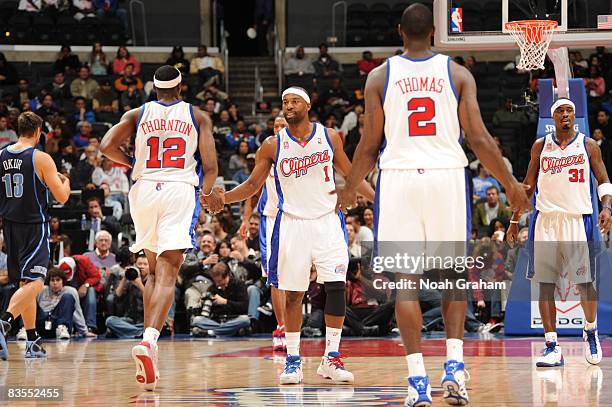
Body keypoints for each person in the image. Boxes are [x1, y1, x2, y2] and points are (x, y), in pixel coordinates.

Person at [336, 4, 530, 406]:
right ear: (436, 32)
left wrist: (350, 187)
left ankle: (417, 381)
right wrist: (509, 183)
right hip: (445, 176)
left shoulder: (379, 76)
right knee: (453, 277)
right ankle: (455, 365)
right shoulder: (457, 73)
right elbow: (478, 138)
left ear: (399, 32)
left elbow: (369, 144)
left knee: (406, 284)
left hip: (400, 179)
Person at [223, 87, 374, 385]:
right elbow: (253, 186)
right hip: (291, 223)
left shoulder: (329, 136)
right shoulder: (271, 145)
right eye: (284, 103)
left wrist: (379, 200)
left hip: (329, 221)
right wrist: (223, 199)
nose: (288, 106)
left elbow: (352, 174)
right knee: (293, 294)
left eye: (294, 101)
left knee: (335, 288)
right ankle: (293, 360)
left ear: (307, 104)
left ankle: (331, 358)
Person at [100, 65, 224, 390]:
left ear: (154, 89)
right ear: (181, 87)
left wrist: (132, 162)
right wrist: (207, 194)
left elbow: (106, 145)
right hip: (178, 189)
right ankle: (150, 342)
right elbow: (210, 167)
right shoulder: (198, 116)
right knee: (170, 272)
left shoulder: (137, 113)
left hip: (143, 190)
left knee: (152, 272)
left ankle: (147, 348)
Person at [507, 98, 611, 368]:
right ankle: (552, 346)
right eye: (560, 111)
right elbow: (527, 187)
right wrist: (515, 220)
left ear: (574, 115)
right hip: (546, 220)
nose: (565, 114)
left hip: (577, 219)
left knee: (584, 284)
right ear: (552, 117)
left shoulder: (588, 145)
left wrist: (607, 207)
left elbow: (603, 179)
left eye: (569, 110)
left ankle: (590, 330)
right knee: (545, 285)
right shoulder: (541, 146)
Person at [0, 112, 71, 359]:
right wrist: (67, 183)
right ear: (39, 131)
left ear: (17, 129)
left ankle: (31, 341)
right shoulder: (41, 158)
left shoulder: (1, 155)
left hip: (9, 226)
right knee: (38, 281)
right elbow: (61, 196)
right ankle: (5, 321)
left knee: (25, 284)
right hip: (34, 226)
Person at [239, 113, 288, 351]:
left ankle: (294, 325)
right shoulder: (266, 150)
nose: (278, 128)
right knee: (275, 278)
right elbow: (252, 188)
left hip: (298, 217)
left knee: (296, 276)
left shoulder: (304, 150)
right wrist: (246, 220)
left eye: (283, 125)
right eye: (276, 125)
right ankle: (281, 327)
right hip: (271, 218)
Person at [190, 262, 250, 337]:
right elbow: (207, 313)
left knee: (245, 320)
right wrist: (202, 303)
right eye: (215, 281)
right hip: (217, 321)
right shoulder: (212, 288)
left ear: (226, 276)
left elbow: (244, 307)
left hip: (233, 319)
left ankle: (210, 332)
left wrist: (225, 302)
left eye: (219, 281)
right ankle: (230, 332)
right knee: (196, 320)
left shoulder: (239, 285)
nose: (217, 284)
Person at [36, 268, 92, 340]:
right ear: (48, 282)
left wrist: (84, 331)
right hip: (42, 321)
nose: (55, 283)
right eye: (52, 280)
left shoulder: (70, 291)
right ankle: (24, 329)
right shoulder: (42, 289)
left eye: (58, 280)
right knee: (29, 299)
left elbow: (77, 312)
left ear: (63, 281)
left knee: (68, 296)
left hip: (59, 323)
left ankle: (62, 328)